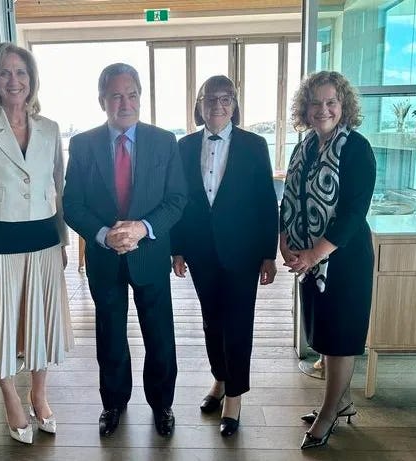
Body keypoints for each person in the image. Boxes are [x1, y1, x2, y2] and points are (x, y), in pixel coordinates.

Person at [62, 63, 187, 437]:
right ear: (102, 100)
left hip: (149, 255)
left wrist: (142, 228)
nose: (125, 103)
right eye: (116, 95)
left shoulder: (164, 141)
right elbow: (72, 204)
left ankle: (162, 404)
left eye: (132, 94)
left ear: (140, 97)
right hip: (105, 259)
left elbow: (178, 199)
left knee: (160, 336)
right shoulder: (82, 145)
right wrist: (103, 234)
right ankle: (113, 404)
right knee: (111, 336)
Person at [0, 42, 72, 444]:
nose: (14, 80)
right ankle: (10, 396)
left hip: (43, 240)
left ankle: (38, 395)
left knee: (41, 324)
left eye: (21, 72)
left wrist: (63, 241)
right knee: (3, 325)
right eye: (5, 73)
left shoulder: (50, 128)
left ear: (31, 79)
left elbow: (58, 189)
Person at [171, 75, 279, 437]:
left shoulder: (254, 144)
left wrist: (268, 253)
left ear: (234, 104)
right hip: (200, 250)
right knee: (210, 321)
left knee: (237, 323)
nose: (218, 104)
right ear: (199, 105)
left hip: (243, 252)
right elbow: (179, 202)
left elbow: (267, 200)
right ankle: (219, 379)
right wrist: (178, 248)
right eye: (210, 98)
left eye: (226, 98)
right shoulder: (183, 146)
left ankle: (234, 396)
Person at [280, 70, 376, 449]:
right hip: (309, 261)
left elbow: (354, 211)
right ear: (306, 108)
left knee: (339, 339)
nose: (323, 109)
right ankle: (343, 400)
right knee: (322, 333)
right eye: (316, 102)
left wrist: (315, 253)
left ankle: (329, 412)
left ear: (344, 106)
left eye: (331, 102)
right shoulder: (304, 146)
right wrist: (285, 240)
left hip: (344, 258)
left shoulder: (357, 148)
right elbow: (289, 198)